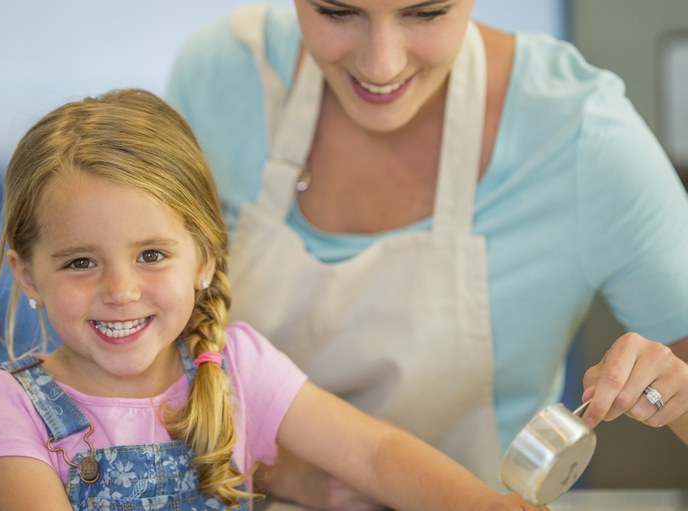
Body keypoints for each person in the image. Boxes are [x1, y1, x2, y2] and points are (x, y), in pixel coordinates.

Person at [165, 0, 688, 506]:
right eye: (337, 11)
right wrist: (292, 476)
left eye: (427, 12)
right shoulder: (220, 75)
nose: (381, 65)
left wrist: (672, 389)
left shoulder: (582, 136)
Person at [0, 88, 549, 510]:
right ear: (27, 275)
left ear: (205, 260)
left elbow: (374, 454)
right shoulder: (7, 404)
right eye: (81, 262)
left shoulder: (240, 366)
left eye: (152, 255)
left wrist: (483, 505)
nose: (120, 291)